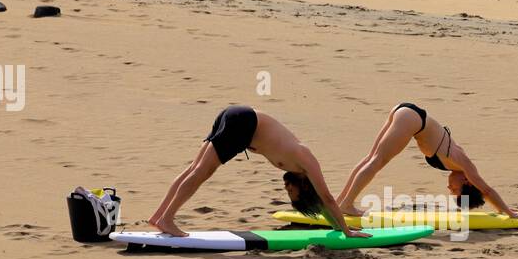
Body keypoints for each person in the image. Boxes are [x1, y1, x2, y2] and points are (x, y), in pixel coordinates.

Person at [148, 105, 369, 238]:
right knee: (201, 172)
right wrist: (347, 232)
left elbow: (322, 204)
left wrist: (335, 227)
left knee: (194, 169)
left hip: (237, 117)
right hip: (243, 122)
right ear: (304, 187)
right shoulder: (306, 159)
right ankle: (167, 218)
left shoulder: (296, 167)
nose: (287, 191)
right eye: (293, 194)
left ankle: (159, 216)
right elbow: (327, 198)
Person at [336, 103, 518, 220]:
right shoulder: (466, 165)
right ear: (466, 182)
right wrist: (508, 212)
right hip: (412, 119)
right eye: (455, 191)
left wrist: (500, 209)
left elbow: (482, 191)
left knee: (371, 158)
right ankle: (346, 205)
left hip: (406, 113)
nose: (449, 189)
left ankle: (340, 203)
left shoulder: (460, 166)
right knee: (376, 161)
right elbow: (486, 190)